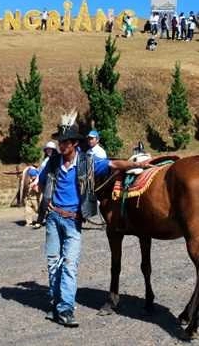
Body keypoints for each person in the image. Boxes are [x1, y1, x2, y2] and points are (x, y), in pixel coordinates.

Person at [36, 111, 151, 327]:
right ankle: (56, 304)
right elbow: (41, 182)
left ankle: (66, 309)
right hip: (53, 219)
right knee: (53, 264)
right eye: (60, 142)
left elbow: (113, 165)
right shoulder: (52, 162)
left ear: (74, 144)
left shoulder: (87, 161)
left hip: (72, 221)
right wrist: (47, 200)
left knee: (69, 265)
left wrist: (137, 166)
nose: (62, 146)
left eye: (65, 142)